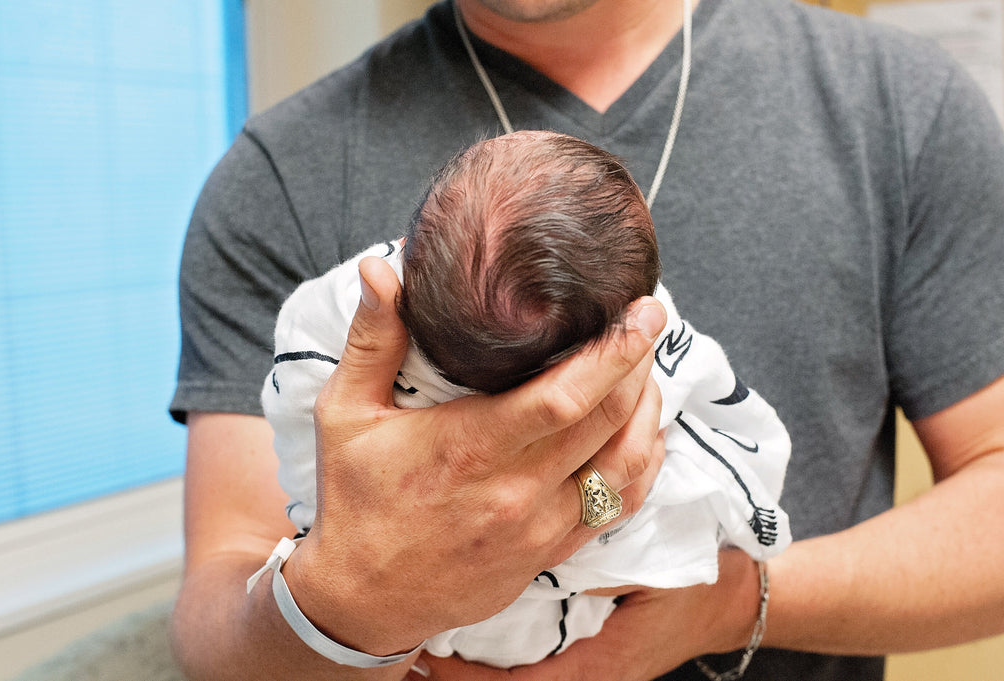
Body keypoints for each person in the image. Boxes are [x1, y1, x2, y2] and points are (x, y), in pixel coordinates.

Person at [168, 0, 1004, 679]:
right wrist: (353, 603)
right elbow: (222, 604)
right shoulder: (276, 178)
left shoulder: (898, 105)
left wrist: (723, 598)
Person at [259, 130, 792, 668]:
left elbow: (299, 396)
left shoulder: (344, 312)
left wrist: (718, 605)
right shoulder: (639, 337)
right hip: (522, 624)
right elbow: (716, 421)